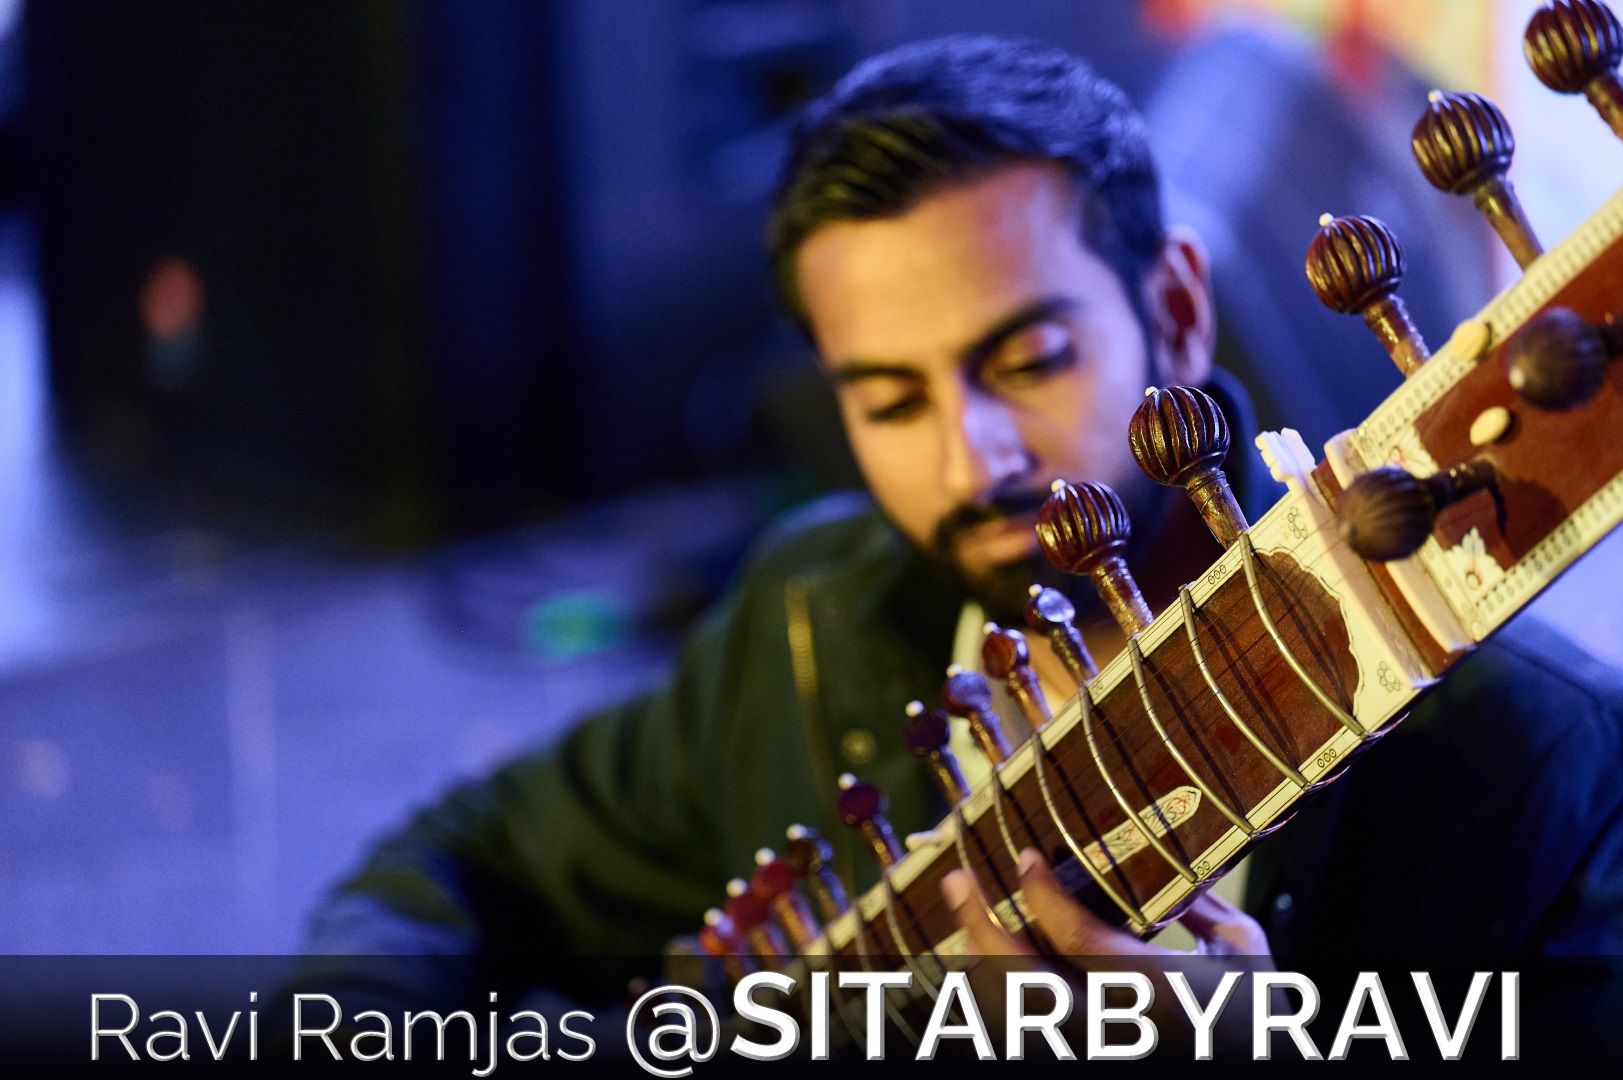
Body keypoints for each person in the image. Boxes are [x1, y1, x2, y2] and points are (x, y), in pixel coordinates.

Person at [297, 35, 1623, 1052]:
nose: (969, 460)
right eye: (887, 398)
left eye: (1030, 359)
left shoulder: (1550, 770)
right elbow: (464, 860)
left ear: (1173, 310)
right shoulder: (810, 619)